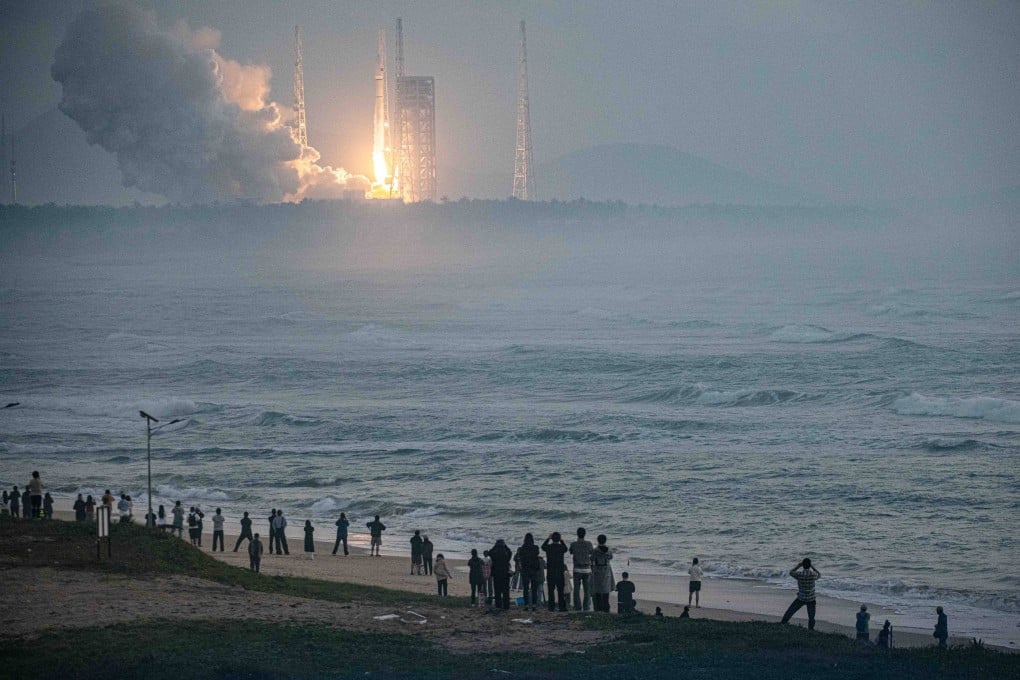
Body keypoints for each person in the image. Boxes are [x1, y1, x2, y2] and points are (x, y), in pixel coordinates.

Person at [780, 558, 821, 630]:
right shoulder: (813, 575)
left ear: (803, 566)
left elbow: (791, 572)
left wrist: (798, 566)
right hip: (811, 598)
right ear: (809, 565)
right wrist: (813, 567)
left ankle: (783, 623)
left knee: (790, 611)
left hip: (801, 598)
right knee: (811, 617)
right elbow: (819, 575)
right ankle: (810, 629)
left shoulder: (800, 574)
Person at [569, 527, 594, 612]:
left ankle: (578, 607)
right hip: (587, 569)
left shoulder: (573, 544)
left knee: (576, 590)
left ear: (577, 534)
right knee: (587, 590)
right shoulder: (589, 544)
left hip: (577, 569)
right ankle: (586, 607)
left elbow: (571, 552)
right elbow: (591, 552)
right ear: (584, 534)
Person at [516, 533, 542, 612]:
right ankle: (534, 606)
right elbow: (537, 554)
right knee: (534, 589)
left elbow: (519, 556)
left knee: (526, 589)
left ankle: (526, 606)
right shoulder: (535, 548)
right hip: (534, 570)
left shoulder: (522, 548)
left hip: (525, 571)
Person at [591, 534, 614, 612]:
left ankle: (598, 609)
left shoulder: (595, 550)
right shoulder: (609, 550)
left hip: (597, 570)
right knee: (606, 591)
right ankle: (606, 609)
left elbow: (592, 558)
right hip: (606, 570)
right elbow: (611, 557)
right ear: (605, 540)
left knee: (597, 590)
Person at [489, 538, 513, 610]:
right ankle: (506, 606)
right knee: (505, 591)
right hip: (505, 574)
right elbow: (510, 552)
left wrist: (494, 546)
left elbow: (490, 552)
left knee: (497, 591)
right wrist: (505, 546)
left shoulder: (494, 554)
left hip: (496, 574)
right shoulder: (506, 555)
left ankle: (498, 605)